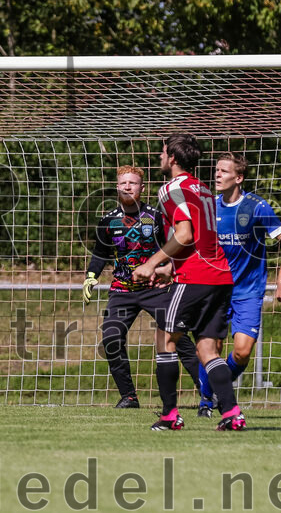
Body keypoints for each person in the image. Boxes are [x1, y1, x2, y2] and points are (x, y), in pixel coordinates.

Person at [133, 134, 243, 431]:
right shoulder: (203, 188)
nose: (159, 156)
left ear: (172, 158)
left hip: (196, 276)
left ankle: (170, 414)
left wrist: (151, 263)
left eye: (162, 151)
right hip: (220, 276)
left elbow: (185, 233)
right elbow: (202, 237)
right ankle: (232, 412)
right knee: (208, 350)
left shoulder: (171, 188)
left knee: (165, 340)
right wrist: (171, 266)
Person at [83, 165, 201, 408]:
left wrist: (168, 268)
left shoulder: (157, 217)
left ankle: (209, 392)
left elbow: (177, 244)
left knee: (180, 339)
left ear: (142, 188)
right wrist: (91, 276)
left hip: (155, 288)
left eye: (133, 183)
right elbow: (100, 253)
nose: (128, 187)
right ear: (117, 187)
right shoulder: (107, 220)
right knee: (111, 339)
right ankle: (129, 397)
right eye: (124, 183)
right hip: (121, 292)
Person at [196, 152, 281, 417]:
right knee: (211, 349)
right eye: (216, 170)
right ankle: (207, 400)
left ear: (238, 177)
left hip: (247, 292)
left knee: (241, 352)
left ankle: (216, 388)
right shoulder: (209, 207)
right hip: (214, 289)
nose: (217, 174)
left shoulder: (257, 206)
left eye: (224, 171)